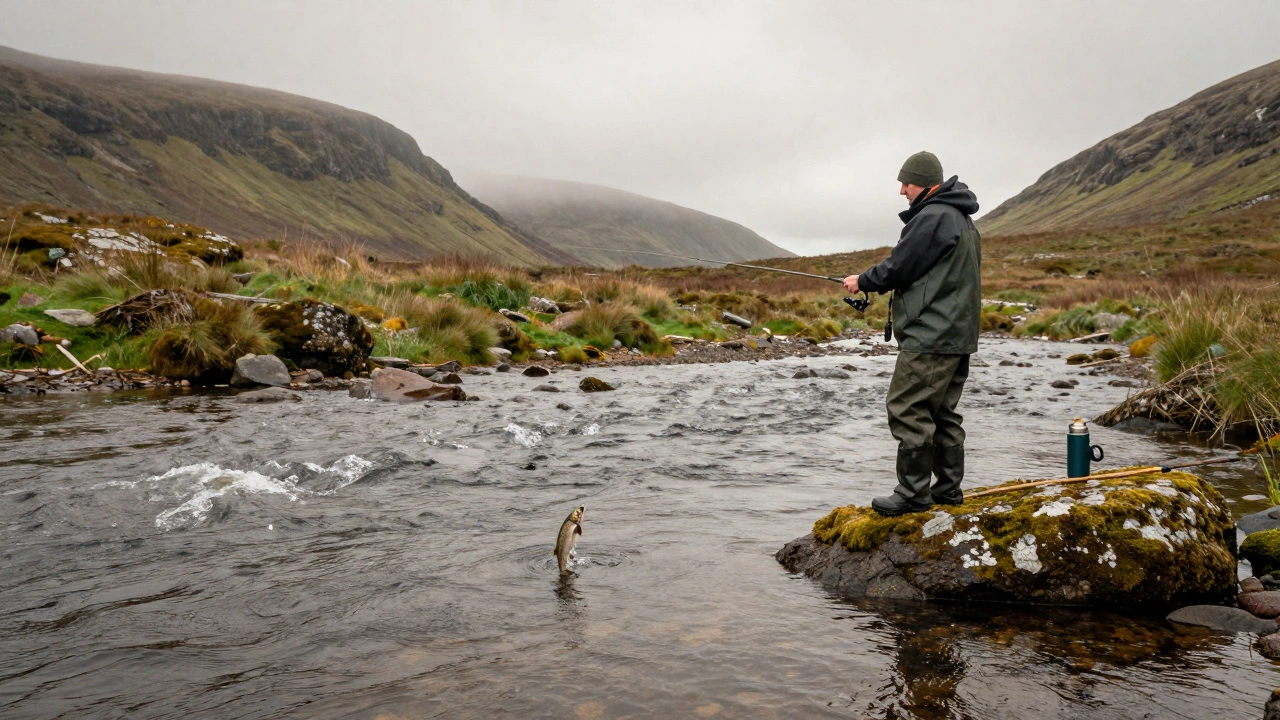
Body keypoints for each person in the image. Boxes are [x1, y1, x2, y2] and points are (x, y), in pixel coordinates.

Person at [843, 151, 981, 516]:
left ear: (925, 182)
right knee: (942, 412)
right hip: (956, 333)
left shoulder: (935, 216)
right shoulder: (962, 219)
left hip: (931, 334)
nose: (902, 190)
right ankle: (948, 492)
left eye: (906, 183)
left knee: (907, 407)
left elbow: (900, 266)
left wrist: (863, 280)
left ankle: (913, 495)